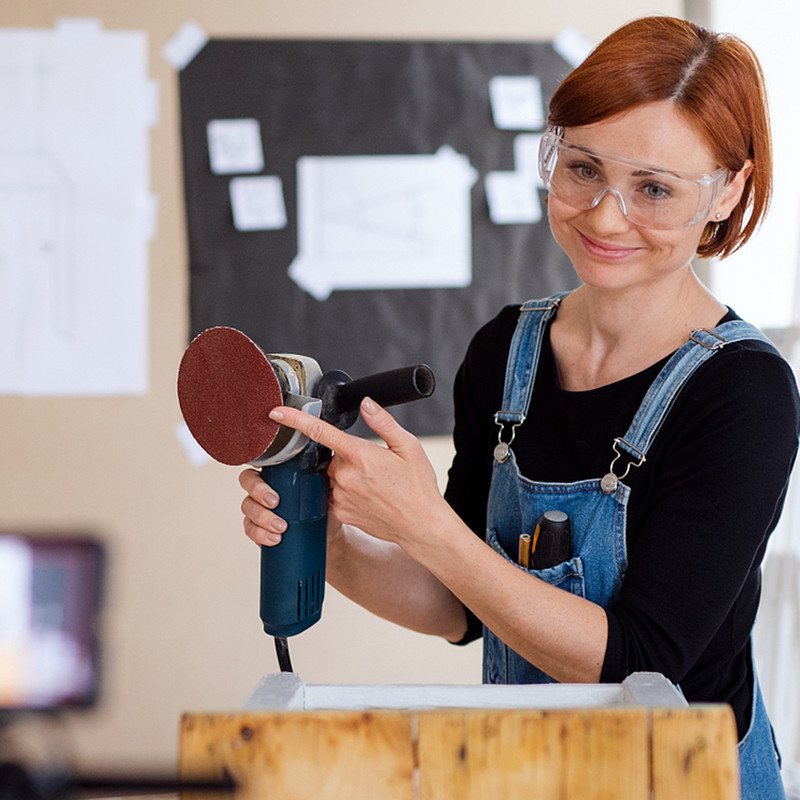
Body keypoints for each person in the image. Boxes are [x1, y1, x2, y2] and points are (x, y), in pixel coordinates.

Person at [240, 16, 799, 798]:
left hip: (685, 779)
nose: (605, 216)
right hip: (529, 769)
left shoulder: (744, 393)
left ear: (727, 191)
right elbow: (461, 606)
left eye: (654, 189)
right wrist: (330, 540)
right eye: (583, 169)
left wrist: (425, 526)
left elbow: (639, 663)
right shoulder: (507, 351)